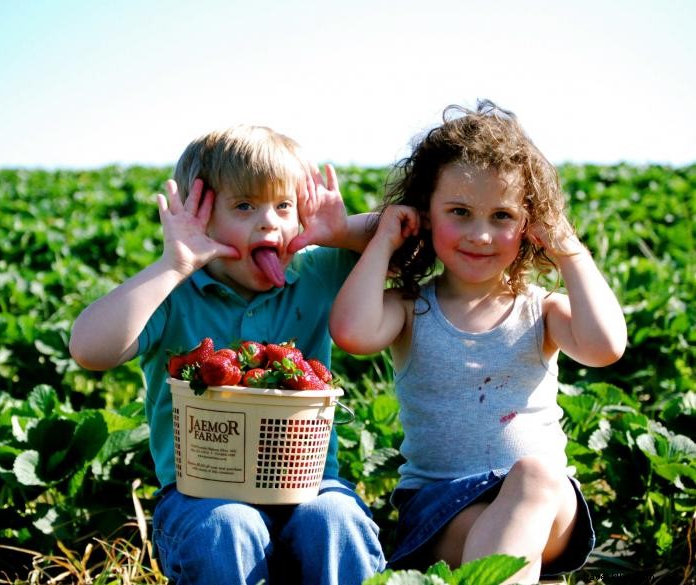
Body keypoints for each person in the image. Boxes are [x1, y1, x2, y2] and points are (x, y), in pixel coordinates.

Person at [69, 125, 385, 584]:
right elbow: (88, 350)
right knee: (227, 527)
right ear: (199, 217)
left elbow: (413, 240)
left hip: (310, 484)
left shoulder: (316, 271)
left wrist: (341, 231)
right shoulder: (173, 294)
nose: (268, 222)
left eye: (283, 206)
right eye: (244, 206)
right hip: (200, 493)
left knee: (336, 520)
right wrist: (172, 265)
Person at [328, 101, 627, 584]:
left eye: (502, 215)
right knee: (501, 548)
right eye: (460, 213)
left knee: (535, 476)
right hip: (443, 508)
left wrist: (569, 249)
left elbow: (605, 346)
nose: (481, 234)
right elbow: (352, 333)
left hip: (548, 506)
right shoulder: (410, 307)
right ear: (425, 216)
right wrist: (384, 238)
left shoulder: (541, 310)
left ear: (530, 225)